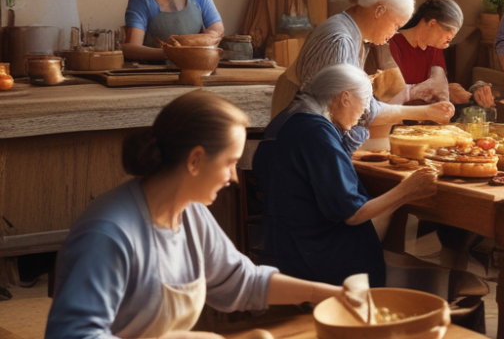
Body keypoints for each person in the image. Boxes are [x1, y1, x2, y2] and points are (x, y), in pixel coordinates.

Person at [45, 92, 346, 339]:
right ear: (195, 160)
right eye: (230, 163)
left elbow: (241, 281)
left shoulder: (191, 214)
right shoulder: (108, 235)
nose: (234, 178)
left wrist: (329, 295)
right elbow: (73, 335)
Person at [255, 64, 438, 287]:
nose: (364, 112)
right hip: (317, 256)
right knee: (398, 222)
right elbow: (353, 213)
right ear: (345, 98)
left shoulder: (285, 120)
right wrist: (407, 190)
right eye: (365, 102)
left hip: (281, 244)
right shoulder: (316, 132)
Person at [270, 0, 455, 149]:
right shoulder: (340, 40)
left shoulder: (350, 31)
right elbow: (361, 109)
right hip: (301, 139)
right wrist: (425, 112)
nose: (394, 33)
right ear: (379, 10)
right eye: (396, 25)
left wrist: (425, 111)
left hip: (308, 132)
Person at [382, 0, 495, 108]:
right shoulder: (391, 44)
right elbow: (387, 96)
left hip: (427, 120)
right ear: (432, 23)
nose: (447, 44)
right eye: (448, 37)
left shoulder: (434, 47)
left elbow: (440, 92)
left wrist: (472, 96)